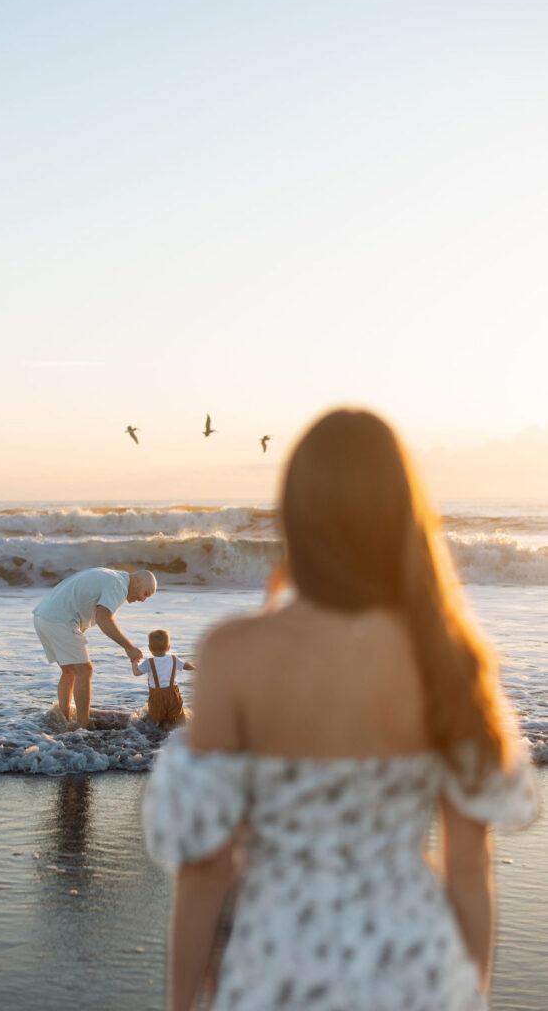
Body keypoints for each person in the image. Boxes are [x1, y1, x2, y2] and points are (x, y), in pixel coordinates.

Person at [143, 409, 538, 1011]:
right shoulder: (445, 655)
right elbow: (467, 871)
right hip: (417, 970)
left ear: (296, 515)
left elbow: (204, 870)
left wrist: (180, 1005)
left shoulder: (235, 653)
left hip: (278, 970)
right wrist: (469, 993)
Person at [33, 567, 157, 728]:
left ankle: (63, 720)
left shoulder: (112, 577)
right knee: (85, 671)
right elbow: (103, 618)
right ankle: (82, 727)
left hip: (43, 617)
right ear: (138, 581)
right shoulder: (119, 585)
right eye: (146, 593)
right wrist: (128, 647)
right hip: (59, 620)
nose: (143, 599)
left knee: (70, 671)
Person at [132, 629, 196, 726]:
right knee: (179, 719)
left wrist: (134, 661)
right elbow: (185, 666)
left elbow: (136, 673)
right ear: (168, 647)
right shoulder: (174, 659)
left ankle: (157, 737)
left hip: (157, 697)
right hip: (173, 695)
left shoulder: (149, 662)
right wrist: (195, 667)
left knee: (156, 720)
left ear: (149, 648)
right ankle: (180, 735)